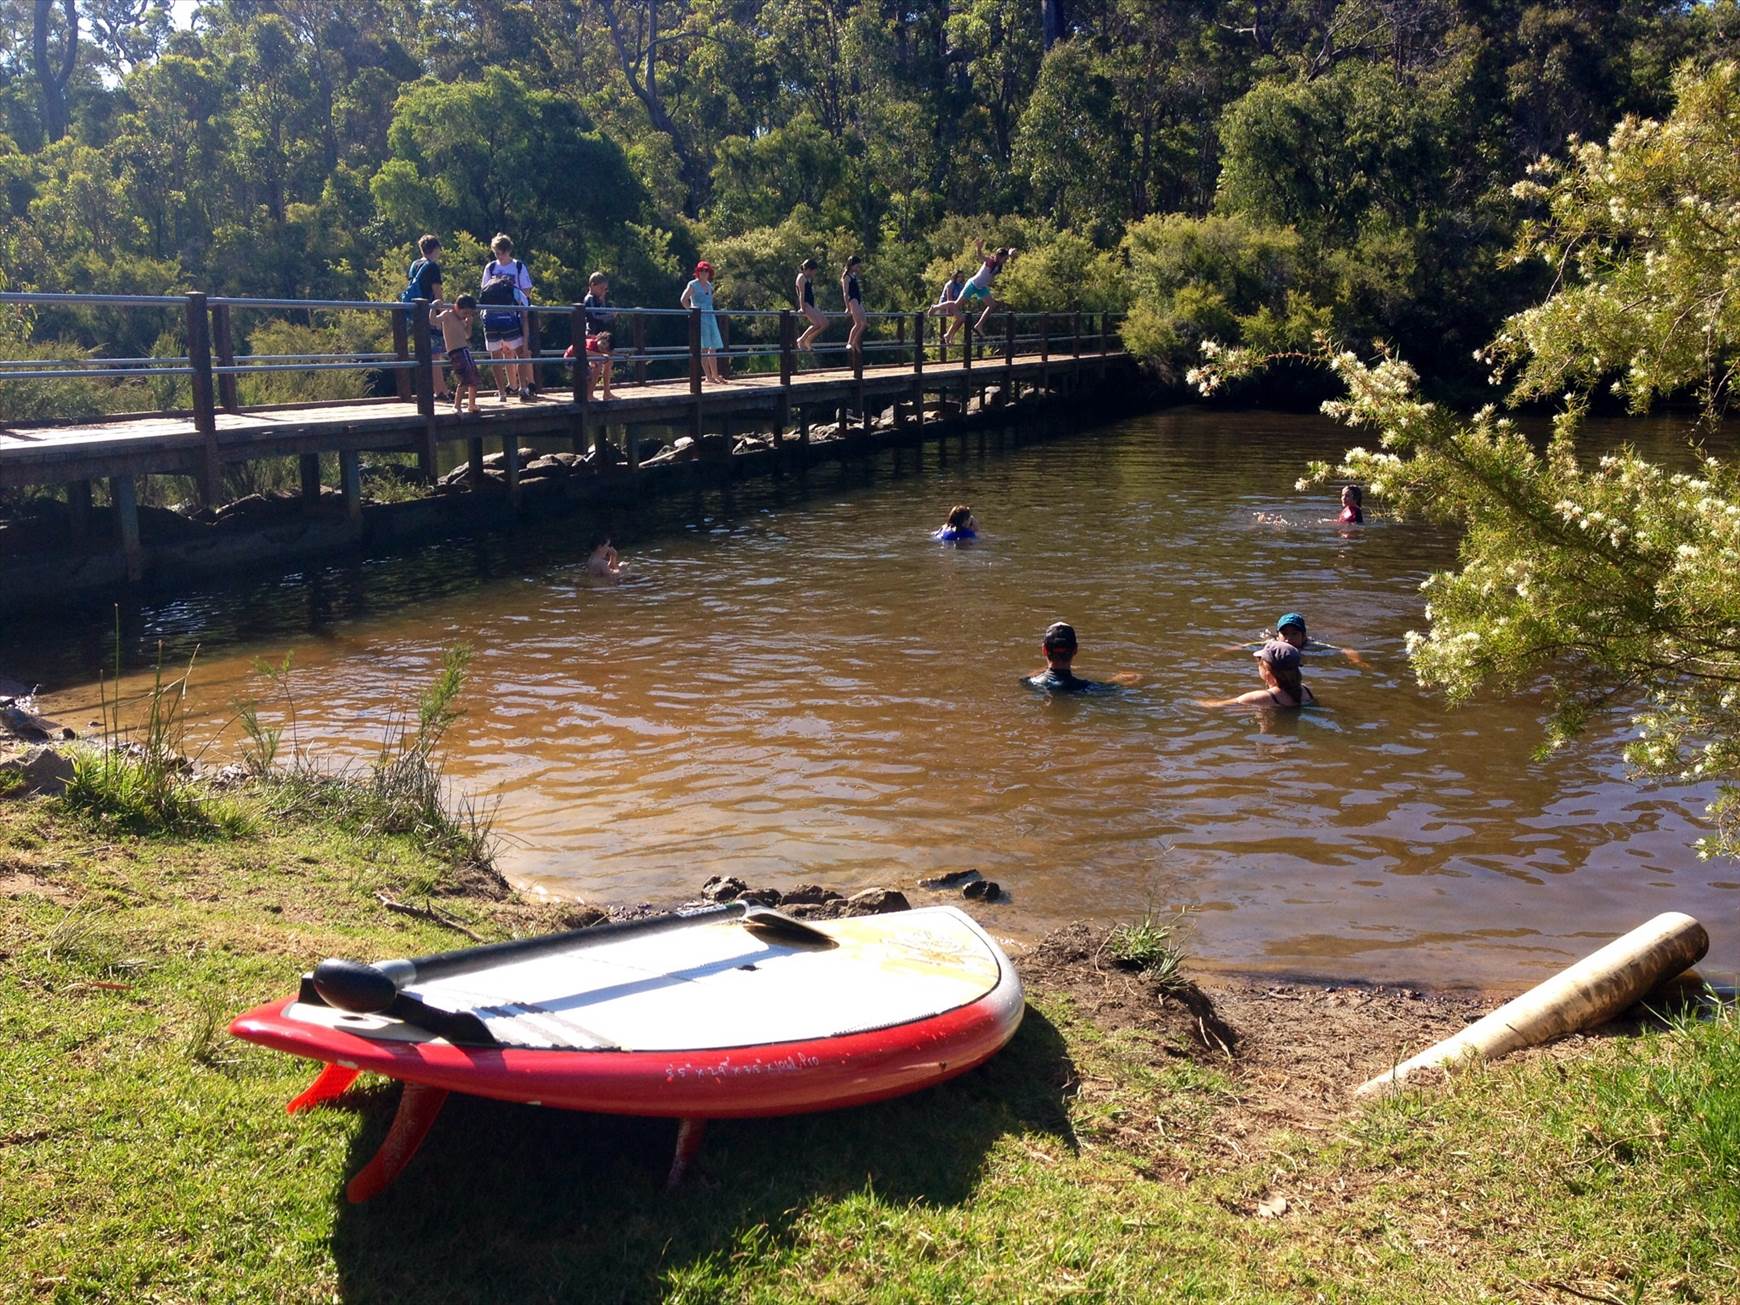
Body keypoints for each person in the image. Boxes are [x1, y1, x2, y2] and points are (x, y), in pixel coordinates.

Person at [479, 233, 536, 402]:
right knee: (496, 354)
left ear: (508, 251)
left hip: (514, 315)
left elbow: (526, 291)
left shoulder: (518, 266)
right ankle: (503, 391)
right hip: (493, 316)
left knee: (521, 351)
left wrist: (514, 299)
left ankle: (524, 387)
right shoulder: (490, 268)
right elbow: (484, 290)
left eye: (502, 252)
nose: (499, 256)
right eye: (497, 252)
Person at [1201, 639, 1316, 709]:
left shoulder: (1258, 698)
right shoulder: (1306, 691)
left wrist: (1195, 701)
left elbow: (1216, 706)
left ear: (1267, 672)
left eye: (1259, 662)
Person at [938, 240, 1016, 342]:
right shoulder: (991, 261)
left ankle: (978, 325)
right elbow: (980, 256)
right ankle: (935, 307)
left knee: (992, 305)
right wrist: (978, 248)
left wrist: (1009, 254)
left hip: (981, 287)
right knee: (956, 305)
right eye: (1004, 259)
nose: (1005, 261)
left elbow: (1004, 257)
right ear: (999, 257)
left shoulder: (999, 264)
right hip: (973, 285)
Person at [405, 234, 448, 400]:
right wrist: (442, 315)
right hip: (430, 313)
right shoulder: (432, 267)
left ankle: (435, 389)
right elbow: (438, 294)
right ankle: (441, 391)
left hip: (417, 314)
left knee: (424, 353)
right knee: (435, 353)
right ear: (435, 249)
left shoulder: (414, 265)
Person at [431, 295, 481, 415]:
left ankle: (472, 404)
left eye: (469, 313)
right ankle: (457, 405)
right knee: (464, 378)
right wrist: (433, 307)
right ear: (457, 307)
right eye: (465, 312)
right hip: (456, 352)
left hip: (465, 351)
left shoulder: (462, 320)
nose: (466, 315)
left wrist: (469, 324)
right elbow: (433, 321)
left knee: (474, 377)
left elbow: (467, 336)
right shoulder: (448, 314)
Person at [681, 261, 729, 385]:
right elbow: (683, 299)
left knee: (713, 347)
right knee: (704, 347)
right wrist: (691, 312)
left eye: (706, 271)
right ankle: (708, 376)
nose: (704, 273)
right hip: (700, 317)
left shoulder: (709, 285)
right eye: (702, 271)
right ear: (698, 272)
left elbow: (710, 302)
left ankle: (715, 375)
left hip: (710, 316)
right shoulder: (693, 284)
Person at [795, 258, 826, 353]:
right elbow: (801, 294)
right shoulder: (801, 277)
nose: (815, 273)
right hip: (805, 303)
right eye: (814, 271)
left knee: (825, 323)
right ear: (809, 269)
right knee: (817, 324)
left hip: (811, 303)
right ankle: (801, 340)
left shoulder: (808, 278)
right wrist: (802, 308)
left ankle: (808, 340)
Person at [841, 255, 865, 365]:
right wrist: (847, 307)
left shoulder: (854, 275)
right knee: (858, 323)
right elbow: (845, 293)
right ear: (852, 265)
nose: (858, 268)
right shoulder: (846, 277)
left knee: (864, 323)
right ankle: (850, 342)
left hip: (858, 300)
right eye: (857, 265)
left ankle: (854, 341)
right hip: (853, 300)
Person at [582, 271, 615, 340]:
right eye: (601, 288)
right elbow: (594, 316)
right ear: (592, 285)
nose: (603, 291)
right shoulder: (590, 298)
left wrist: (602, 302)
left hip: (599, 332)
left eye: (605, 289)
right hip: (592, 332)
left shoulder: (597, 299)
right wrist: (610, 315)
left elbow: (602, 313)